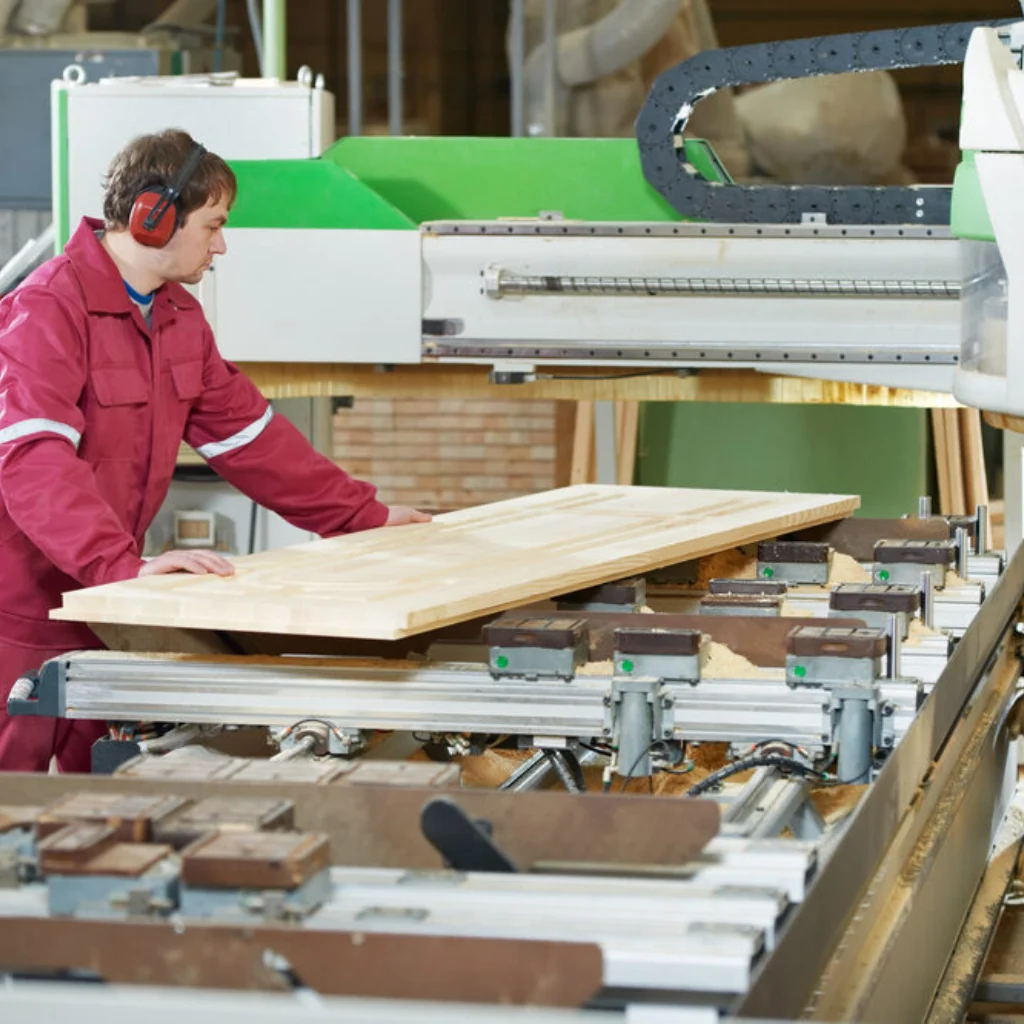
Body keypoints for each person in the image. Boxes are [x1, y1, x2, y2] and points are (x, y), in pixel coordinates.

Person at [0, 129, 430, 773]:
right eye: (213, 225)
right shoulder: (47, 311)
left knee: (92, 801)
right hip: (23, 615)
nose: (221, 245)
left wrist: (362, 517)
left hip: (104, 609)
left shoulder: (176, 316)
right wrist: (118, 565)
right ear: (154, 218)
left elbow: (250, 436)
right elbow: (33, 461)